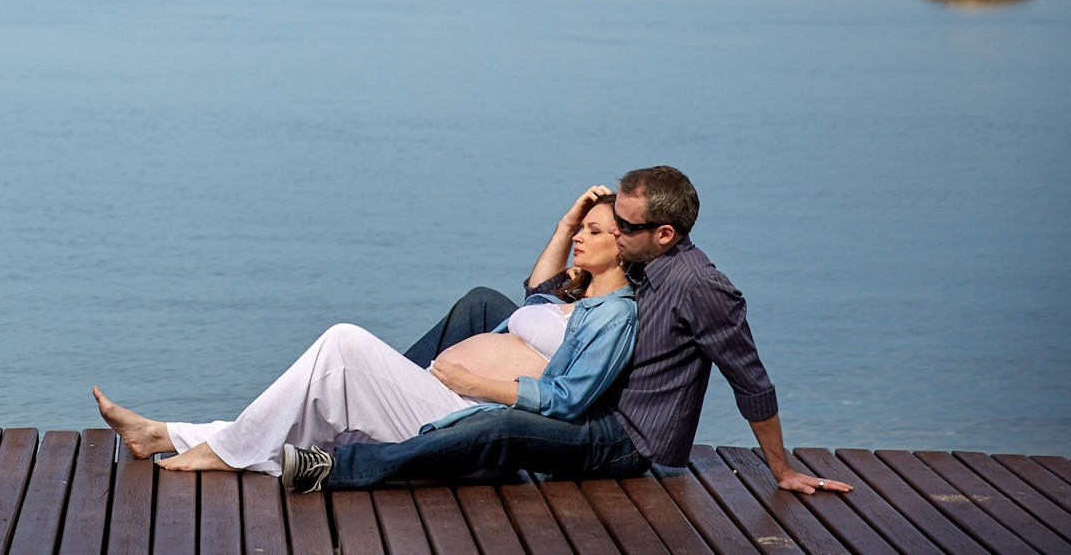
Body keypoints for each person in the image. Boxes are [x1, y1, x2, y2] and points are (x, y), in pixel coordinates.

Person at [287, 165, 853, 497]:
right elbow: (543, 292)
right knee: (483, 304)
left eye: (626, 226)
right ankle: (386, 404)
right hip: (584, 386)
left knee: (505, 424)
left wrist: (780, 469)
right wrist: (568, 225)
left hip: (622, 436)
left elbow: (750, 380)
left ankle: (339, 468)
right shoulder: (634, 261)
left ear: (664, 233)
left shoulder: (701, 287)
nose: (615, 231)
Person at [92, 189, 636, 475]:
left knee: (343, 346)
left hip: (466, 414)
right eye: (579, 231)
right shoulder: (571, 294)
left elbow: (567, 399)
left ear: (624, 243)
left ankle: (214, 450)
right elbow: (534, 289)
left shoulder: (614, 313)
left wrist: (474, 379)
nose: (579, 238)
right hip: (443, 390)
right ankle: (165, 435)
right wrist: (567, 223)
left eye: (593, 231)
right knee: (313, 407)